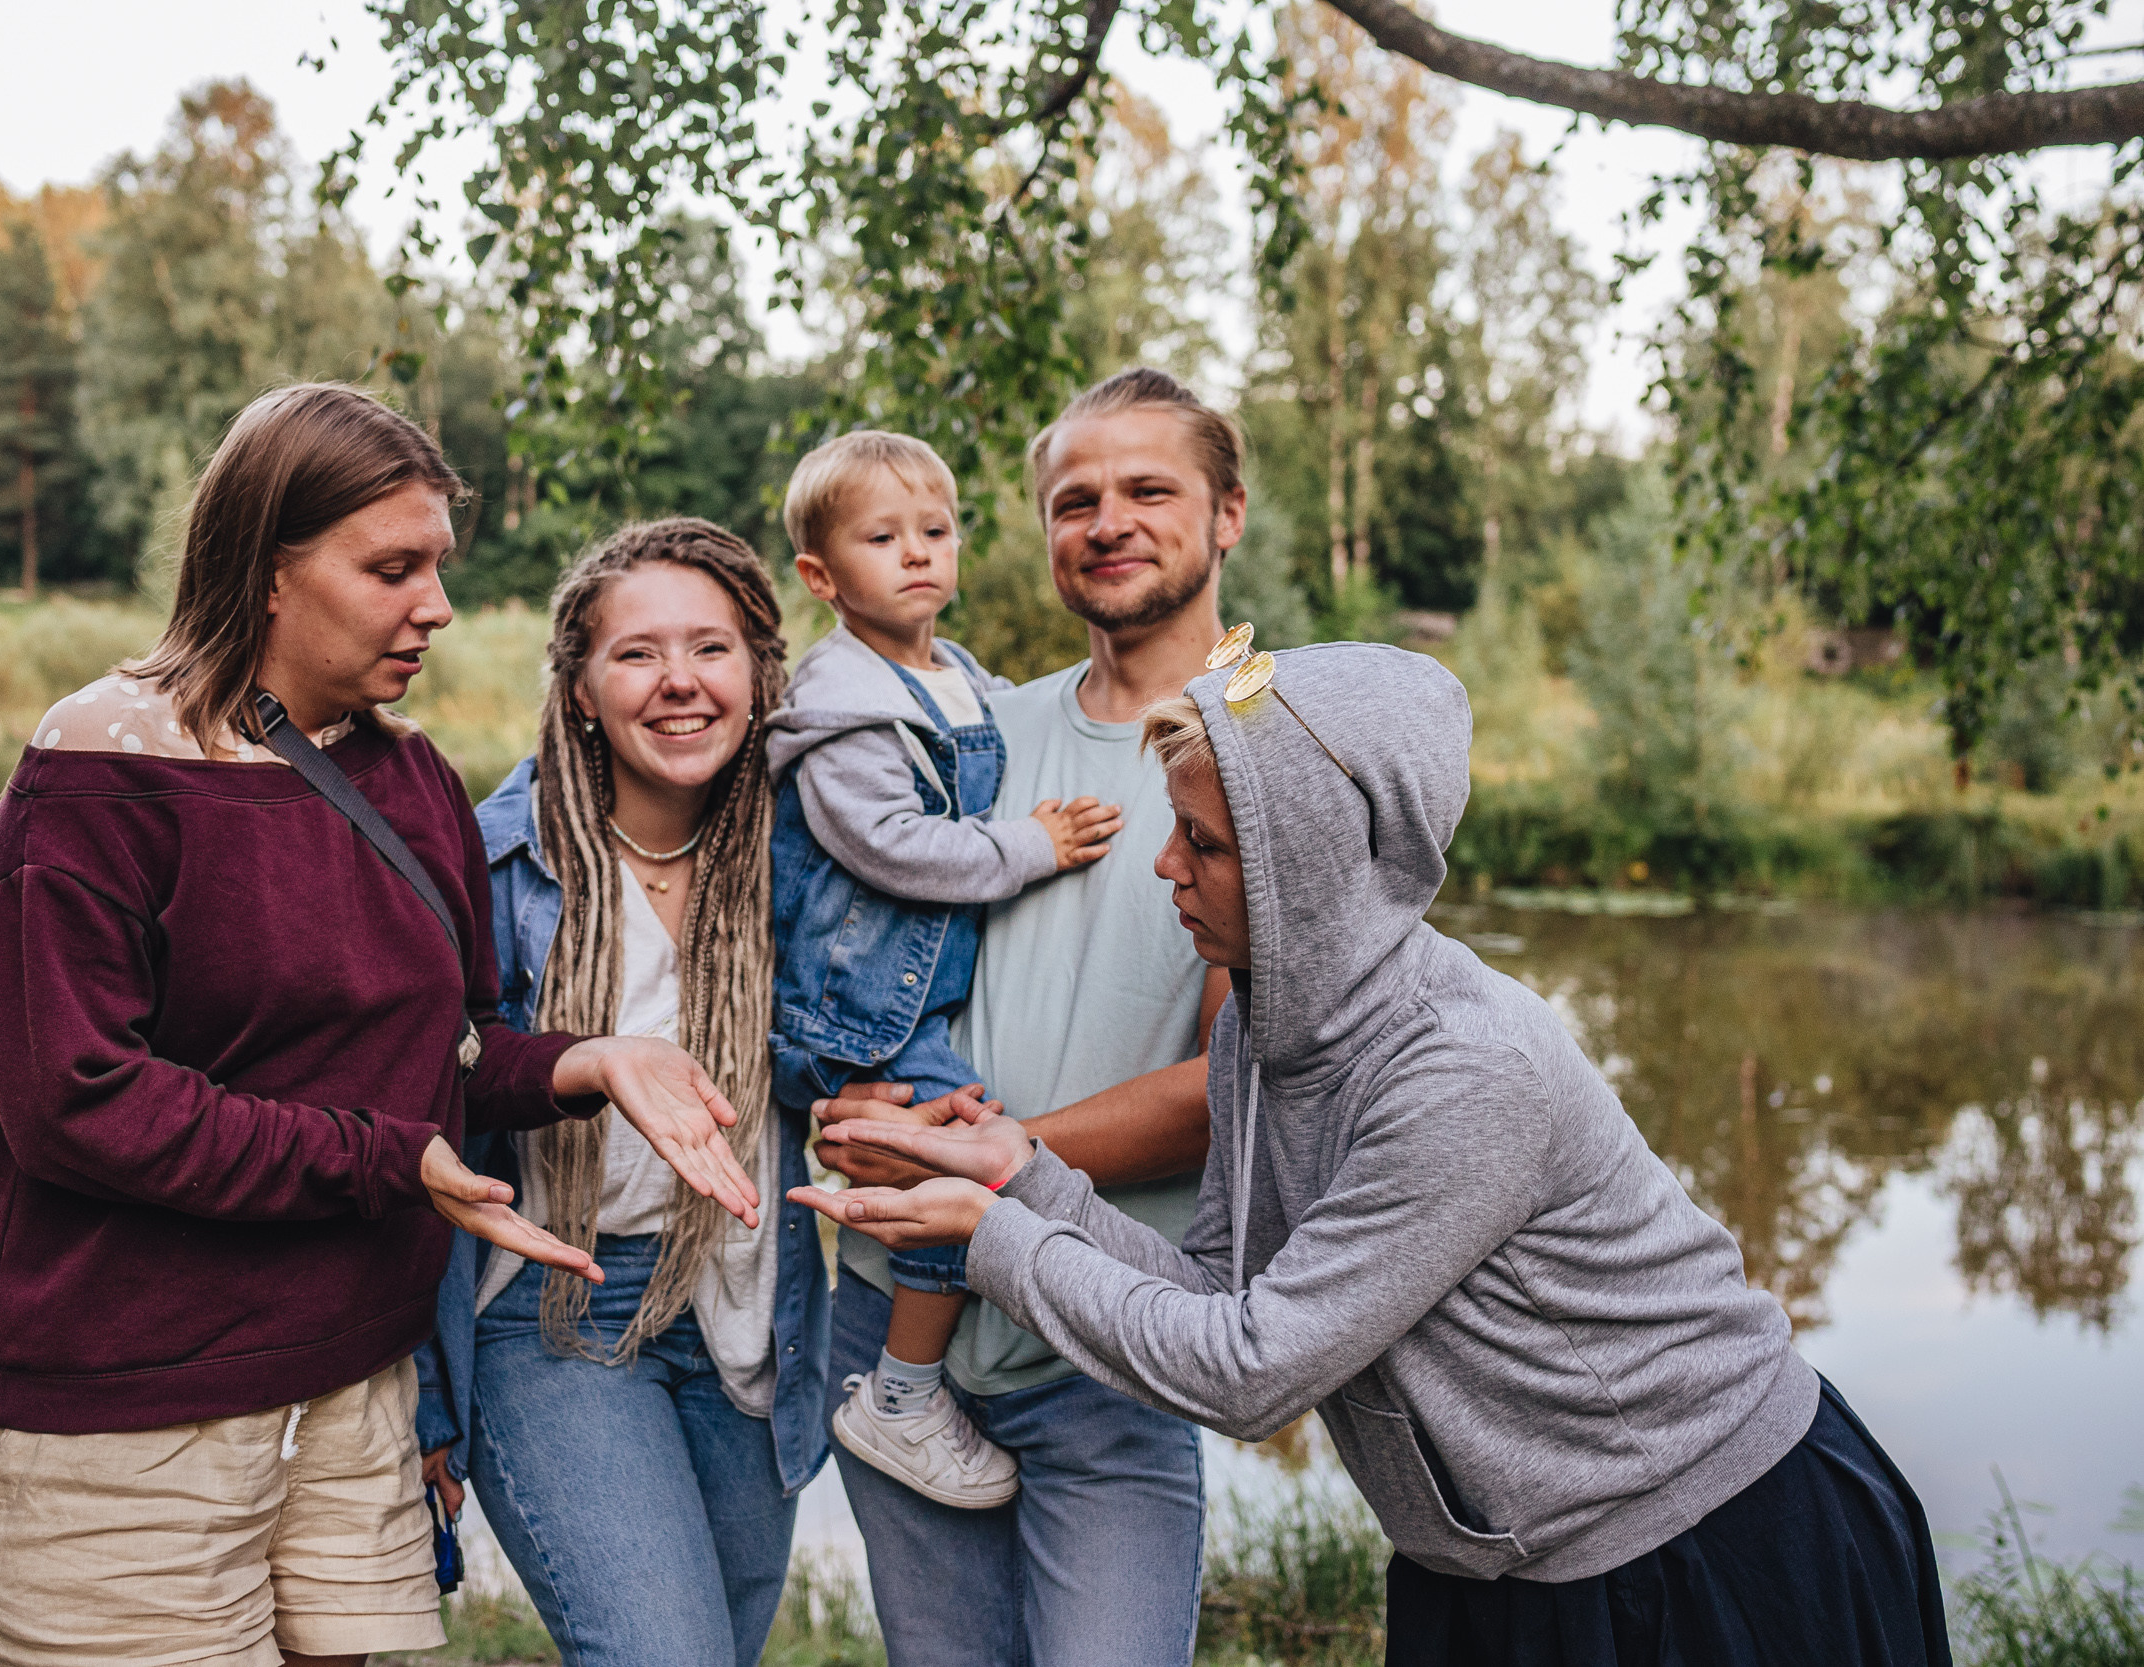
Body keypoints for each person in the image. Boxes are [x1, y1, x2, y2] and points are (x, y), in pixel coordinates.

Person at [801, 643, 1955, 1667]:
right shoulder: (1261, 1025)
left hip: (1708, 1537)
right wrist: (1016, 1171)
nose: (1164, 868)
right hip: (1489, 1566)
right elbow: (1216, 1290)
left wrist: (988, 1233)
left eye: (1200, 841)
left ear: (1308, 863)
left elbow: (1247, 1372)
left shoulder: (1464, 1069)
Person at [0, 383, 761, 1667]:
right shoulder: (100, 764)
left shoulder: (404, 770)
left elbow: (451, 1052)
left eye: (437, 565)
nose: (435, 603)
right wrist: (384, 1157)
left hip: (351, 1387)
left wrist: (589, 1060)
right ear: (264, 567)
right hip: (132, 1411)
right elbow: (78, 1101)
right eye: (391, 567)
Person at [806, 369, 1242, 1665]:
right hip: (897, 1315)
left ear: (1227, 513)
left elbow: (1237, 1089)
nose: (1106, 521)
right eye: (1074, 500)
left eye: (1148, 489)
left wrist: (972, 1161)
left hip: (1102, 1325)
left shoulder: (1277, 741)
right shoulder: (974, 726)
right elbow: (831, 927)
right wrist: (835, 1097)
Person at [415, 517, 831, 1667]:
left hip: (746, 1309)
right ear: (582, 689)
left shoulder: (807, 863)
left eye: (712, 648)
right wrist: (422, 1395)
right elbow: (420, 1105)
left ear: (758, 672)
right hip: (555, 1308)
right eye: (637, 653)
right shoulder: (495, 866)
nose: (681, 682)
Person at [767, 430, 1121, 1510]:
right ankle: (901, 1395)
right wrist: (1034, 845)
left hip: (921, 994)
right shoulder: (841, 703)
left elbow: (1006, 732)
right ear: (822, 578)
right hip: (860, 1002)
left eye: (936, 530)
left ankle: (914, 1380)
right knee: (953, 1168)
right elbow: (893, 845)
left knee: (959, 1152)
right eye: (884, 538)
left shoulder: (954, 673)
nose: (918, 553)